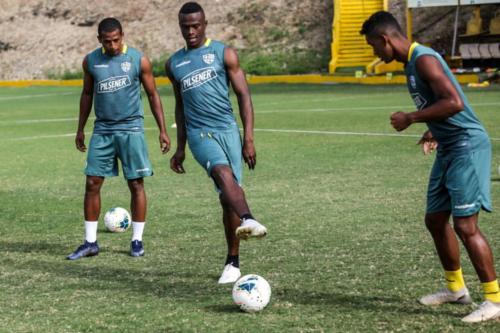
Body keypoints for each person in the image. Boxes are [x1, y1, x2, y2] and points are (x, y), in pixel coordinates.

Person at [361, 11, 500, 323]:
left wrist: (411, 118)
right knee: (435, 219)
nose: (375, 54)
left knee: (466, 226)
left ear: (386, 40)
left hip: (467, 145)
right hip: (449, 144)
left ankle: (495, 300)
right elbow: (441, 106)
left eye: (374, 47)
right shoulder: (412, 63)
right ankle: (456, 290)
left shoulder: (424, 58)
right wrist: (433, 130)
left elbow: (454, 102)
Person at [165, 2, 267, 284]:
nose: (191, 31)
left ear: (205, 24)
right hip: (200, 134)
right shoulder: (174, 63)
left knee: (227, 197)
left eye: (196, 25)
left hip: (228, 131)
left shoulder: (224, 53)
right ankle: (249, 218)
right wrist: (181, 147)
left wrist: (248, 138)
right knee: (223, 175)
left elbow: (244, 95)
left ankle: (232, 261)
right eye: (185, 26)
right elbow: (180, 107)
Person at [67, 17, 170, 260]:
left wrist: (163, 130)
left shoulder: (137, 59)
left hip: (131, 129)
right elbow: (87, 93)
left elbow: (153, 95)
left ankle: (137, 240)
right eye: (107, 41)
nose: (112, 45)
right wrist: (80, 128)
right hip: (102, 130)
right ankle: (90, 242)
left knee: (136, 184)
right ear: (99, 40)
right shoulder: (91, 61)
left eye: (116, 40)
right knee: (92, 182)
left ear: (122, 36)